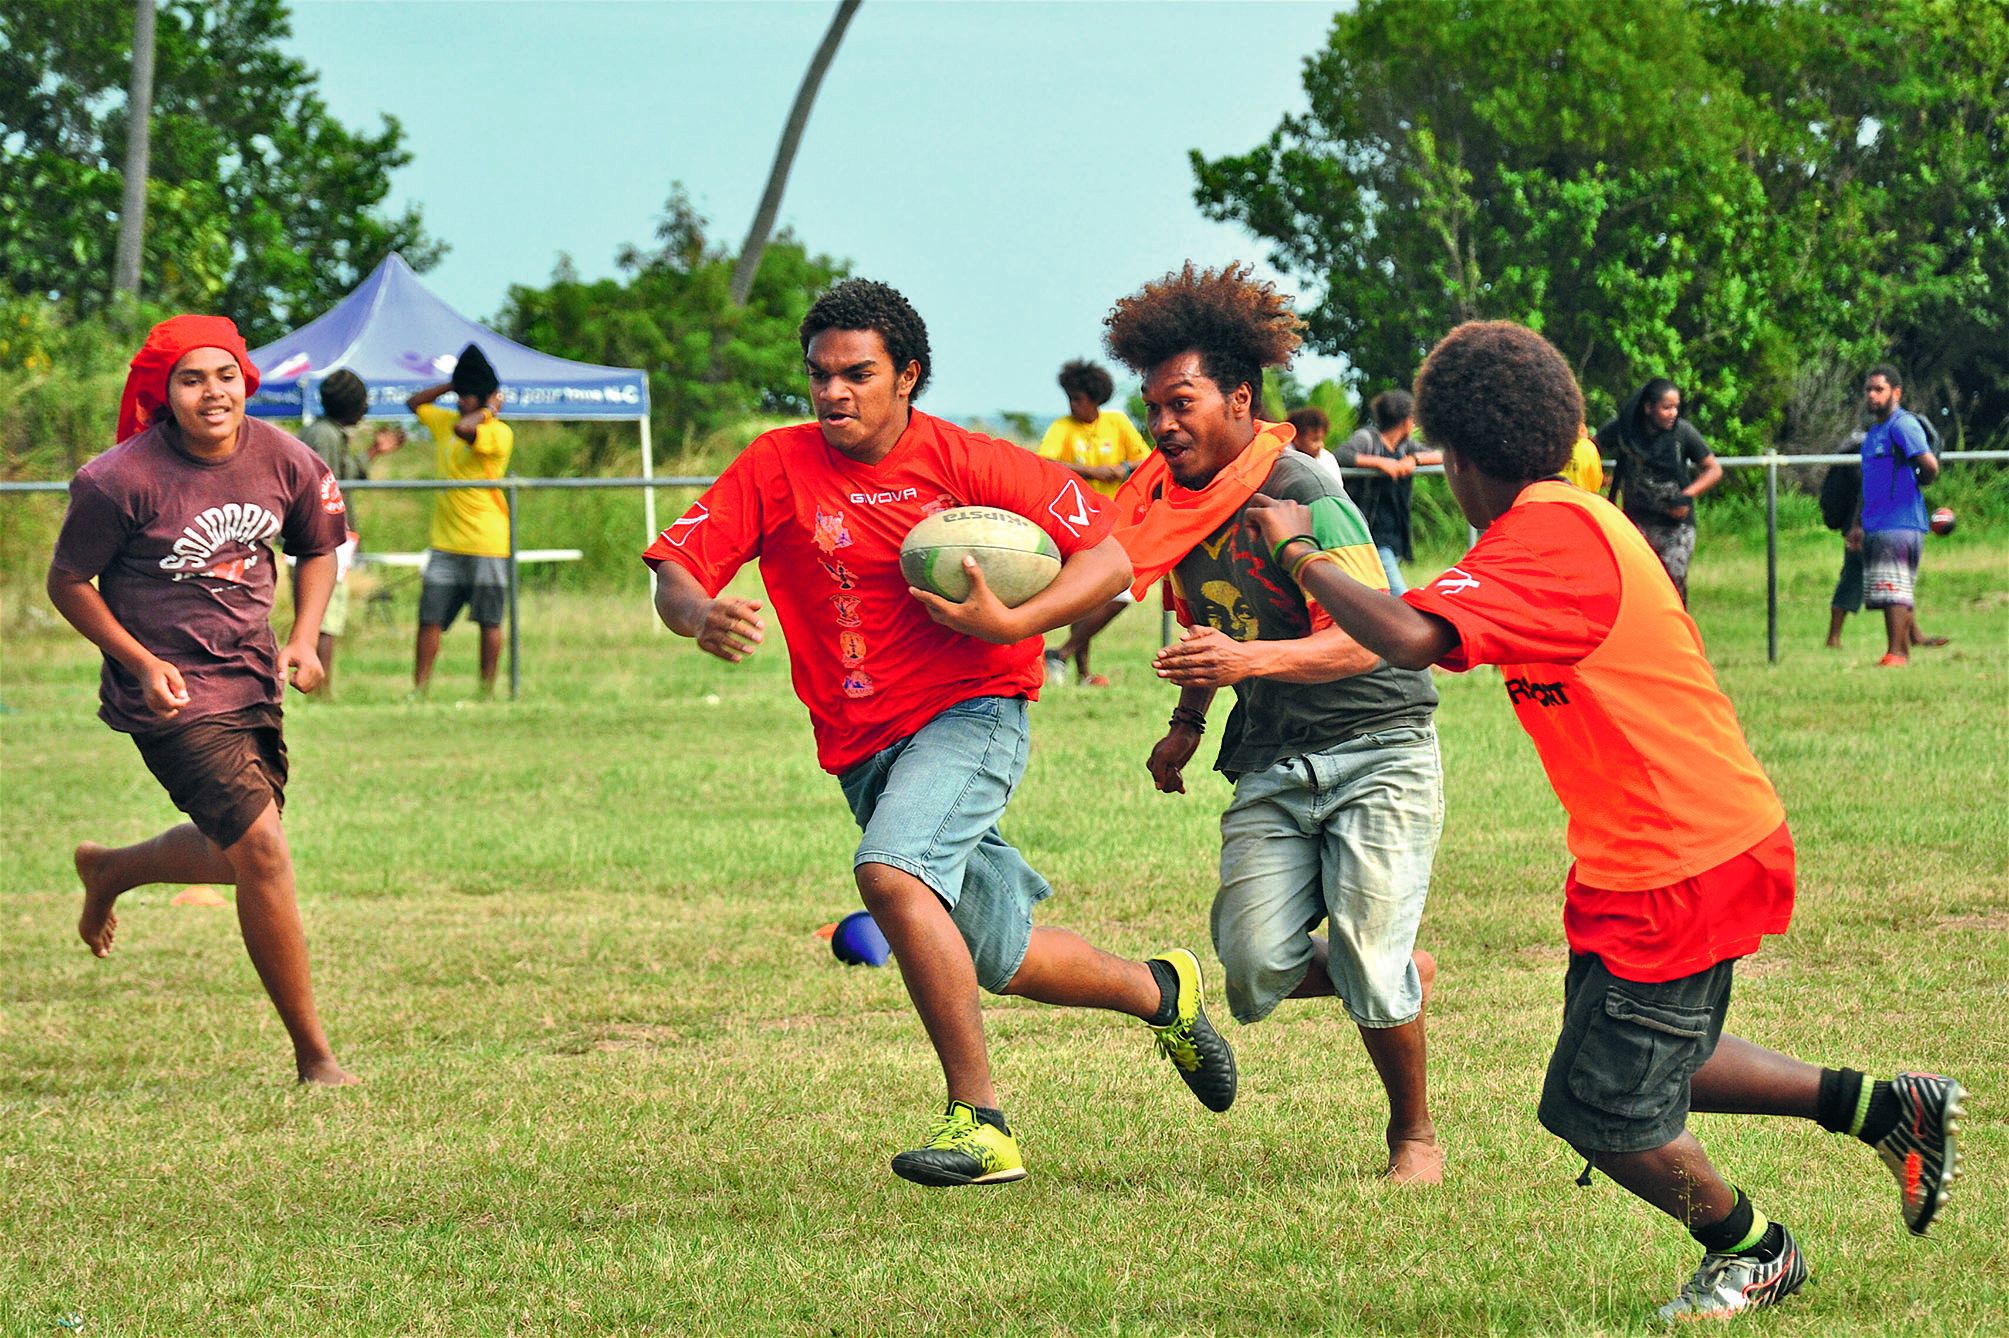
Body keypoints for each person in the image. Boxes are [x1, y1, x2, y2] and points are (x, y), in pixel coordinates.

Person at [1246, 319, 1964, 1321]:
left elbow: (1406, 635)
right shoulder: (1549, 525)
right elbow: (1434, 618)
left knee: (1597, 1107)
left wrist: (1299, 557)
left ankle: (1753, 1250)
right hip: (1653, 853)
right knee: (1638, 1061)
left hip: (1685, 857)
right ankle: (1886, 1107)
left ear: (1456, 454)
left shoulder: (1550, 534)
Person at [644, 279, 1237, 1187]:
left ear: (907, 376)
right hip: (860, 745)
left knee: (889, 872)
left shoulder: (972, 463)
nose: (833, 392)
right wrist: (697, 617)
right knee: (1000, 956)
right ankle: (1163, 991)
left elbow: (1111, 553)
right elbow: (675, 572)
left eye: (857, 374)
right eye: (818, 376)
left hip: (972, 715)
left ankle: (981, 1123)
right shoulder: (774, 465)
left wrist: (1013, 624)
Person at [1103, 262, 1447, 1184]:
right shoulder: (1177, 508)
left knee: (1371, 964)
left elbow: (1373, 642)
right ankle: (1384, 968)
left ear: (1241, 399)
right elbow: (1210, 621)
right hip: (1274, 757)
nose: (1163, 425)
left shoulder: (1302, 490)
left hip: (1379, 748)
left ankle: (1412, 1135)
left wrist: (1241, 664)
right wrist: (1186, 717)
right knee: (1252, 970)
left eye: (1182, 403)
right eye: (1153, 408)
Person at [46, 314, 356, 1086]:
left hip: (252, 679)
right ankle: (316, 1058)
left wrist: (305, 637)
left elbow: (318, 545)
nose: (211, 392)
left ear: (245, 380)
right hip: (171, 693)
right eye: (191, 379)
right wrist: (138, 660)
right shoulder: (116, 480)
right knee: (262, 852)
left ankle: (114, 869)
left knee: (235, 851)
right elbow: (67, 582)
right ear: (165, 392)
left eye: (223, 375)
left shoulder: (287, 459)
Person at [374, 343, 513, 696]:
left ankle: (486, 690)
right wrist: (452, 384)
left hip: (487, 542)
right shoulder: (444, 420)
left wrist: (488, 409)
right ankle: (419, 690)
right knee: (429, 618)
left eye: (469, 395)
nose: (460, 402)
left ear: (482, 398)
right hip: (445, 544)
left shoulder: (498, 432)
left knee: (489, 619)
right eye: (460, 395)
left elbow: (466, 431)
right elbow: (414, 404)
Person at [1037, 359, 1152, 686]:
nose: (1073, 405)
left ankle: (1062, 655)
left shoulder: (1117, 423)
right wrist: (1091, 472)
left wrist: (1123, 470)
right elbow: (1045, 462)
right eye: (1070, 398)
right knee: (1090, 595)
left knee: (1122, 593)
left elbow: (1143, 458)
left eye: (1078, 398)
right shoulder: (1063, 427)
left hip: (1118, 520)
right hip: (1077, 521)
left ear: (1095, 398)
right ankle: (1079, 670)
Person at [294, 369, 400, 693]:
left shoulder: (328, 433)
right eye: (362, 402)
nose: (366, 409)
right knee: (327, 616)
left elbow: (347, 472)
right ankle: (319, 690)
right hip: (324, 539)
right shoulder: (324, 437)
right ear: (350, 404)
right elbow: (323, 488)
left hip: (327, 539)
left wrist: (374, 452)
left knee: (328, 614)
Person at [1595, 377, 1722, 604]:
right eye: (1666, 408)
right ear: (1648, 408)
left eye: (1676, 408)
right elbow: (1592, 447)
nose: (1673, 413)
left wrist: (1686, 495)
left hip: (1675, 526)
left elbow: (1713, 469)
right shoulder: (1625, 430)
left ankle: (1677, 635)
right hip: (1637, 523)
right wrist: (1596, 476)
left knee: (1673, 585)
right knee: (1636, 587)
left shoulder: (1683, 433)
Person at [1853, 364, 1942, 667]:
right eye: (1868, 389)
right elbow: (1867, 482)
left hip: (1900, 521)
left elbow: (1929, 465)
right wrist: (1856, 524)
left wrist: (1919, 482)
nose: (1872, 395)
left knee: (1894, 590)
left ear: (1896, 392)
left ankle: (1897, 654)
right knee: (1888, 587)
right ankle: (1903, 646)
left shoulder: (1902, 425)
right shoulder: (1874, 432)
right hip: (1876, 521)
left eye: (1879, 389)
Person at [1330, 389, 1441, 595]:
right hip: (1371, 532)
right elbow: (1340, 455)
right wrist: (1380, 463)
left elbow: (1439, 455)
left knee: (1378, 593)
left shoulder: (1404, 446)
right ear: (1406, 421)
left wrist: (1414, 460)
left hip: (1395, 532)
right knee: (1400, 595)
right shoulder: (1368, 439)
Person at [1560, 423, 1604, 494]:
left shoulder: (1549, 444)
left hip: (1551, 497)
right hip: (1580, 498)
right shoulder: (1589, 448)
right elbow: (1595, 482)